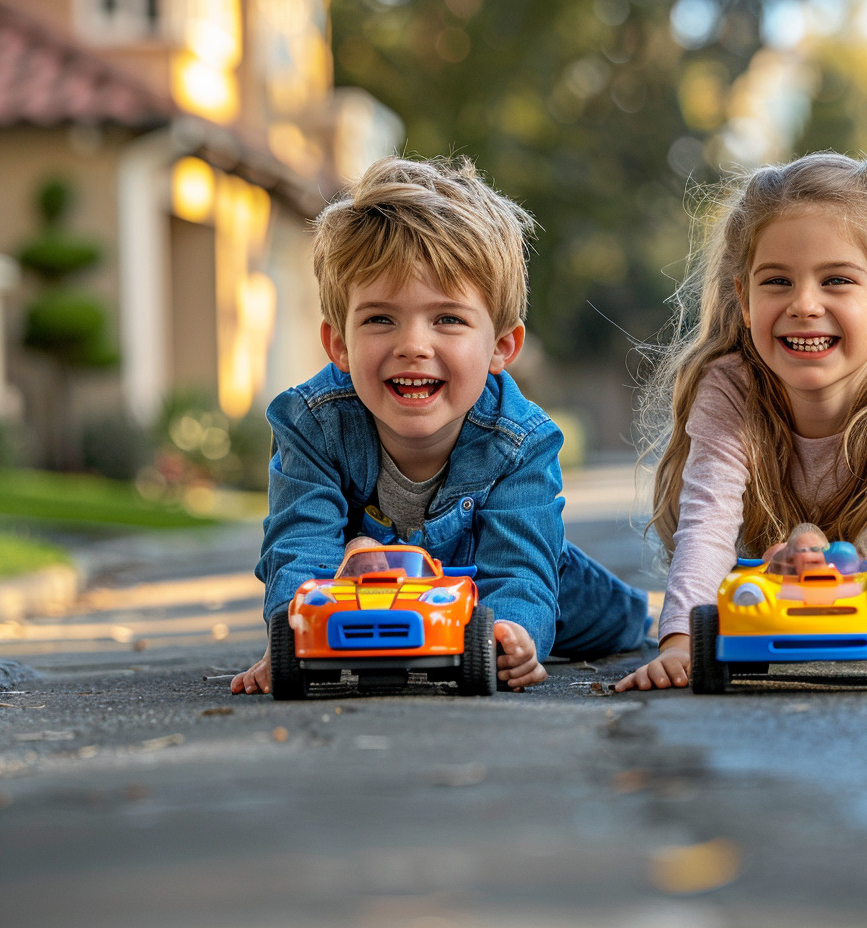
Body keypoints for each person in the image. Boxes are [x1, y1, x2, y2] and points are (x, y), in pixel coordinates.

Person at [232, 155, 648, 695]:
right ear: (338, 343)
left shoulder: (520, 439)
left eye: (447, 319)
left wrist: (512, 632)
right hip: (366, 586)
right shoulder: (313, 423)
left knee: (612, 618)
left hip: (507, 574)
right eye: (380, 319)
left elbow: (520, 569)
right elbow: (299, 543)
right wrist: (290, 637)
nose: (413, 346)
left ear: (502, 347)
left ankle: (633, 616)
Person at [616, 151, 867, 692]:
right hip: (794, 582)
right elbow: (707, 518)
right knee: (735, 602)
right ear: (743, 299)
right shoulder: (731, 388)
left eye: (836, 280)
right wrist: (679, 644)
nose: (804, 304)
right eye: (777, 282)